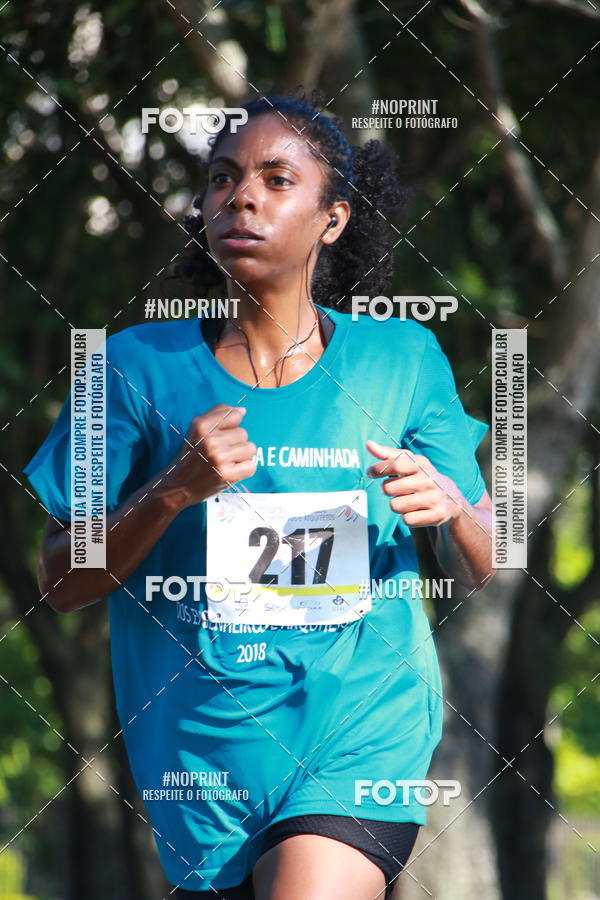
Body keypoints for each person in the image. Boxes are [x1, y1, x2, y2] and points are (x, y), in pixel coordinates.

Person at [25, 92, 495, 900]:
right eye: (222, 178)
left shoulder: (405, 357)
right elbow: (62, 582)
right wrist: (173, 489)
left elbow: (489, 556)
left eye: (278, 180)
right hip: (202, 762)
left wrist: (451, 505)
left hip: (362, 734)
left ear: (333, 219)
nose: (240, 196)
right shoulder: (132, 367)